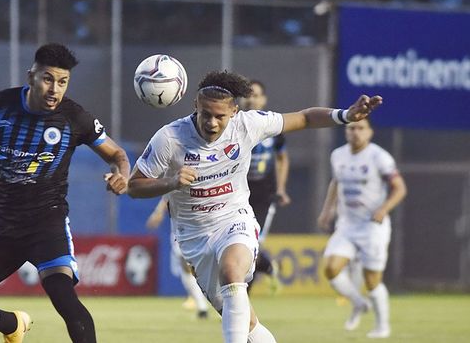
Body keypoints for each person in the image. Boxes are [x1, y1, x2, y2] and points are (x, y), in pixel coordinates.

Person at [127, 70, 382, 343]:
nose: (212, 123)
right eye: (206, 114)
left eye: (220, 116)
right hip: (194, 236)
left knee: (232, 270)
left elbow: (305, 117)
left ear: (234, 112)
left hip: (234, 219)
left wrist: (345, 115)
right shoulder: (170, 138)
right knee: (247, 323)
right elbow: (134, 186)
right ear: (195, 107)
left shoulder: (250, 124)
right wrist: (171, 182)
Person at [0, 43, 130, 343]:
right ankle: (11, 324)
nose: (54, 89)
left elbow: (117, 154)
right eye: (48, 79)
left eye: (62, 82)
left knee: (64, 298)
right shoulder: (1, 104)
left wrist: (122, 175)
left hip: (46, 222)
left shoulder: (74, 117)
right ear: (32, 76)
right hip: (0, 224)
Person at [317, 118, 406, 339]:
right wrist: (327, 210)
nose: (355, 132)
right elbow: (336, 182)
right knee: (330, 268)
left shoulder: (379, 157)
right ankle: (358, 303)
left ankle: (382, 326)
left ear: (370, 132)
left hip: (372, 227)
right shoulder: (338, 155)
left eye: (360, 128)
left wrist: (384, 208)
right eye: (351, 128)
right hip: (347, 224)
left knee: (372, 280)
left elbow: (399, 188)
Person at [240, 80, 291, 294]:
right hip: (237, 194)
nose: (252, 99)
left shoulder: (272, 126)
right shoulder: (234, 123)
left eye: (256, 95)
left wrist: (281, 189)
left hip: (263, 196)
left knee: (250, 246)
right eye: (248, 95)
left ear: (263, 99)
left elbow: (282, 158)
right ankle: (268, 266)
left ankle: (243, 300)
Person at [146, 195, 209, 319]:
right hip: (181, 226)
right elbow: (170, 192)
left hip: (208, 221)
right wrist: (158, 212)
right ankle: (202, 307)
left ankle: (225, 304)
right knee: (185, 265)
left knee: (215, 262)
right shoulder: (177, 178)